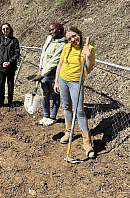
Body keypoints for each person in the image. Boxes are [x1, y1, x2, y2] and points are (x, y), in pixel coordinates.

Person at [53, 26, 96, 159]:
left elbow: (88, 70)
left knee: (80, 111)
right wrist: (56, 81)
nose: (73, 39)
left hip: (76, 83)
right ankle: (68, 132)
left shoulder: (89, 49)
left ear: (79, 34)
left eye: (74, 36)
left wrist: (88, 56)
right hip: (63, 80)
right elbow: (60, 64)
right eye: (69, 38)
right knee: (66, 107)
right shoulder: (66, 48)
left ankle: (87, 143)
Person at [32, 22, 67, 126]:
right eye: (49, 31)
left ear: (59, 29)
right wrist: (40, 69)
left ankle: (53, 117)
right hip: (43, 71)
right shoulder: (49, 39)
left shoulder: (63, 44)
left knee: (55, 94)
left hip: (53, 73)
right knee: (45, 95)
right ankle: (46, 115)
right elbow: (43, 55)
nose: (51, 32)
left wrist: (42, 74)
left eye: (52, 30)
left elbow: (54, 61)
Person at [0, 22, 20, 107]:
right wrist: (2, 62)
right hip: (1, 67)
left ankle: (10, 101)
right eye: (3, 29)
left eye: (7, 29)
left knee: (10, 84)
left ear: (10, 29)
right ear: (1, 30)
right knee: (1, 84)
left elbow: (17, 53)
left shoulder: (14, 40)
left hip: (11, 67)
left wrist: (10, 62)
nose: (5, 30)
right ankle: (1, 101)